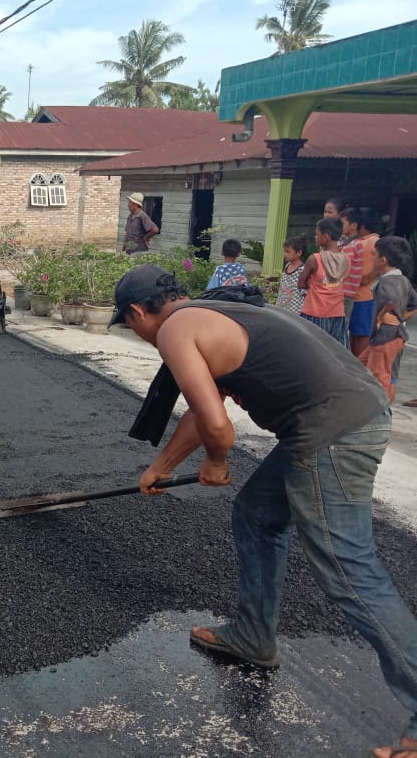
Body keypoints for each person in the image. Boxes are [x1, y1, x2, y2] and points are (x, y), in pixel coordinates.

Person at [108, 263, 417, 758]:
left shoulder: (174, 330)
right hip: (340, 417)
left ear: (139, 312)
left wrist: (214, 461)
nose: (140, 335)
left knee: (346, 567)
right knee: (256, 514)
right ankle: (253, 635)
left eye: (131, 325)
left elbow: (217, 426)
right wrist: (162, 466)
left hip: (333, 432)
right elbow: (204, 407)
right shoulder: (218, 311)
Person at [359, 236, 417, 402]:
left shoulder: (387, 281)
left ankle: (379, 414)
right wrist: (400, 318)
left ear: (382, 260)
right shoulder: (403, 280)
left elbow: (390, 300)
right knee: (369, 368)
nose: (373, 258)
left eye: (375, 255)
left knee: (378, 377)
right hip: (395, 336)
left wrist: (382, 315)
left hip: (384, 337)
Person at [298, 217, 349, 347]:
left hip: (315, 312)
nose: (315, 237)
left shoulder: (315, 259)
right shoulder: (345, 259)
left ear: (325, 236)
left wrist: (312, 284)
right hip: (337, 313)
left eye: (317, 234)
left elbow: (301, 283)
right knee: (335, 349)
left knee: (313, 349)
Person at [341, 206, 381, 357]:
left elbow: (383, 262)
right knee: (353, 333)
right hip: (354, 295)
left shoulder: (373, 241)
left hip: (365, 297)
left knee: (362, 334)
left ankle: (361, 366)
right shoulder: (356, 242)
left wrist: (367, 278)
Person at [274, 235, 307, 315]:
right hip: (282, 309)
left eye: (288, 252)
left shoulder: (302, 270)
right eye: (284, 251)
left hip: (295, 312)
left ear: (299, 252)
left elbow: (305, 293)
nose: (285, 254)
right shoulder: (287, 265)